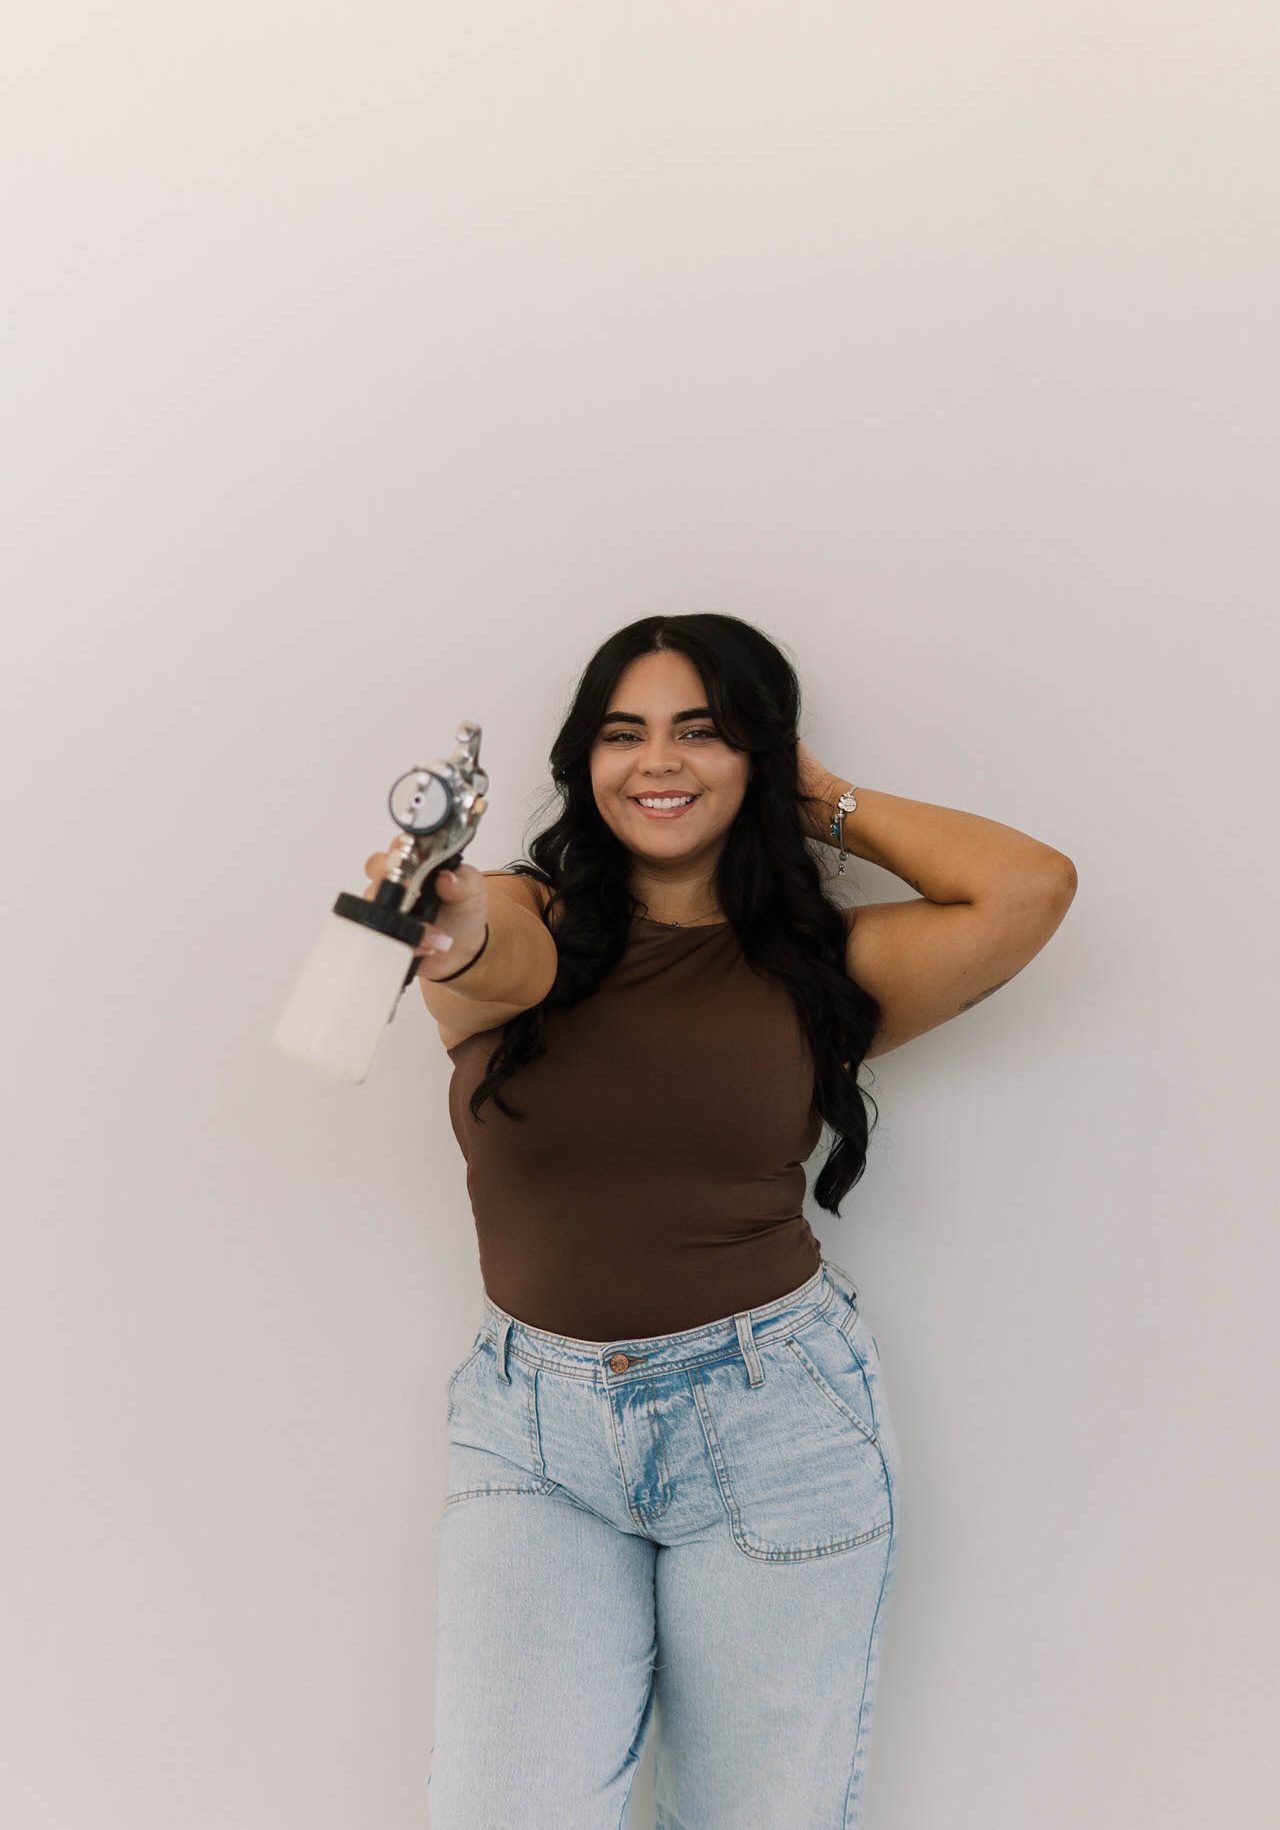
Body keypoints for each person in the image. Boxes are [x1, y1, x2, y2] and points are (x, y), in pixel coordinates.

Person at [365, 613, 1077, 1829]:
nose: (658, 762)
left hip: (774, 1422)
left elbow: (1028, 888)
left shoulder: (819, 968)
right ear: (580, 764)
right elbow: (491, 952)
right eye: (623, 733)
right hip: (532, 1436)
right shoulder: (528, 920)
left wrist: (820, 797)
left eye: (700, 732)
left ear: (759, 755)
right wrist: (447, 919)